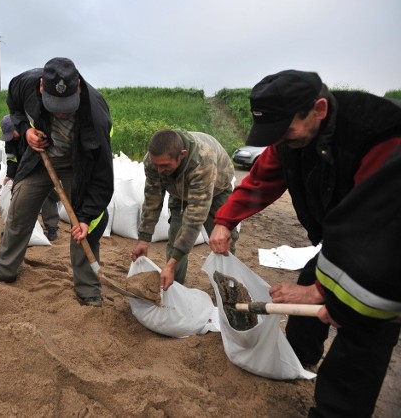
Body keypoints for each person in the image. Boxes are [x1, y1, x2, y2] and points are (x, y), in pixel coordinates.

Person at [208, 69, 401, 417]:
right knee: (312, 286)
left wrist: (323, 294)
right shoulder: (291, 140)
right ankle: (294, 362)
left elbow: (373, 227)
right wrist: (225, 220)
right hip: (347, 239)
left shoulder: (380, 135)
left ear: (320, 109)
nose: (280, 139)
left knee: (363, 331)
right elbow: (262, 180)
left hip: (388, 250)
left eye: (286, 130)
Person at [0, 57, 113, 307]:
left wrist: (87, 218)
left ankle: (88, 289)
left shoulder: (96, 114)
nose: (62, 112)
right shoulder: (26, 83)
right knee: (20, 209)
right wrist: (26, 130)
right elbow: (13, 106)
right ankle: (4, 270)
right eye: (55, 105)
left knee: (82, 228)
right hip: (40, 160)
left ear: (78, 86)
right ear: (42, 87)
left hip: (77, 166)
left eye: (67, 105)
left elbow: (102, 179)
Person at [131, 129, 236, 291]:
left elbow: (195, 217)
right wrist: (144, 238)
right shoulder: (154, 162)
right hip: (179, 192)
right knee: (176, 239)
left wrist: (172, 263)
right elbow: (153, 199)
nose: (159, 170)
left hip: (216, 189)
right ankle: (174, 288)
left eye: (164, 166)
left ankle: (229, 288)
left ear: (182, 154)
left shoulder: (202, 160)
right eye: (156, 165)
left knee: (223, 242)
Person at [1, 114, 60, 241]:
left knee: (47, 196)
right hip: (22, 170)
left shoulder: (32, 136)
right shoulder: (10, 141)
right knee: (18, 196)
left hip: (40, 167)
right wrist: (10, 175)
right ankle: (15, 228)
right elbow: (11, 159)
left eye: (13, 133)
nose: (11, 137)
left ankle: (51, 227)